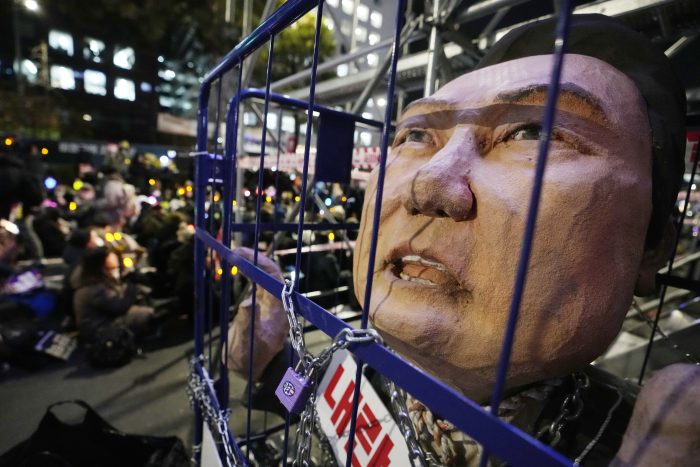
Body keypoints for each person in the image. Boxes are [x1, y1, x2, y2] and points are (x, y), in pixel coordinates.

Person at [225, 14, 699, 467]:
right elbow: (310, 402)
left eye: (534, 133)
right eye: (415, 136)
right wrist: (268, 364)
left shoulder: (623, 440)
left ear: (652, 247)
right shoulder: (357, 362)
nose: (428, 186)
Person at [71, 247, 153, 342]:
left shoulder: (96, 281)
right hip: (99, 330)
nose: (116, 270)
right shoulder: (93, 288)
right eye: (112, 268)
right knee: (144, 313)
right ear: (101, 268)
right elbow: (120, 306)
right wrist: (132, 288)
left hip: (105, 321)